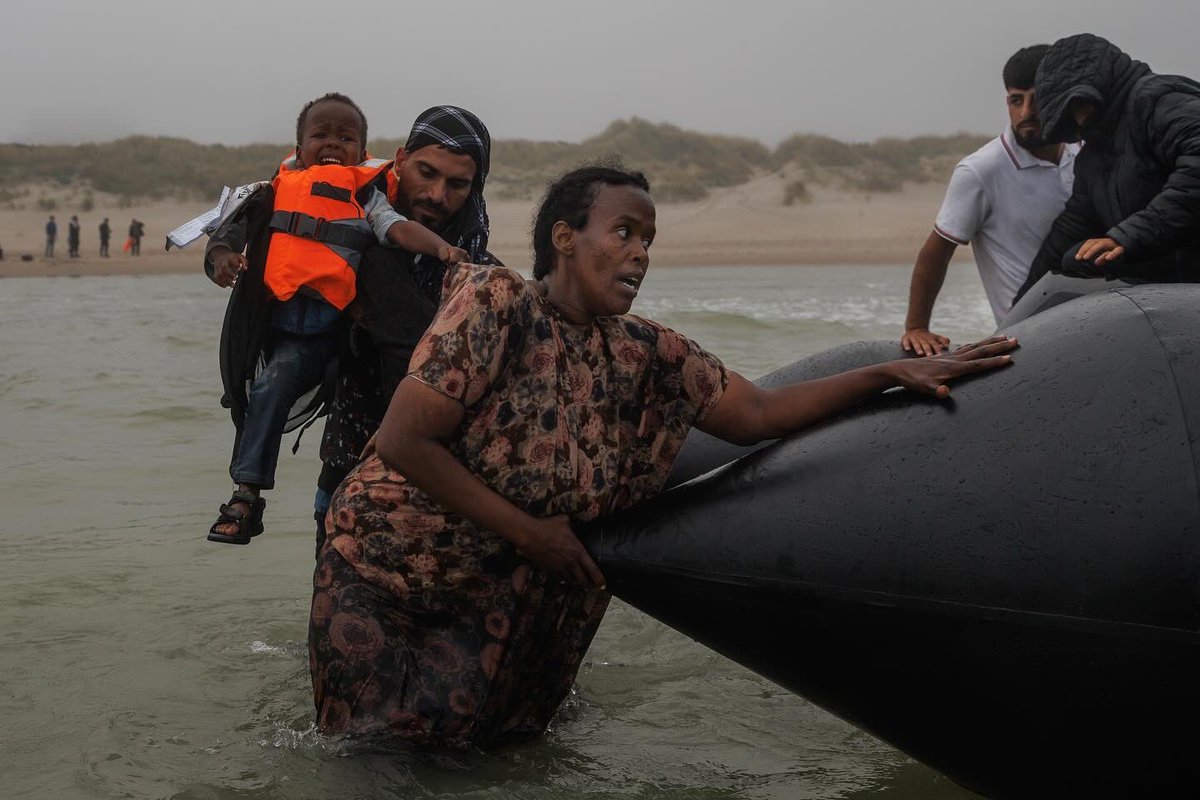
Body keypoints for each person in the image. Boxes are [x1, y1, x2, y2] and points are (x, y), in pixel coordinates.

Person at [308, 164, 1019, 747]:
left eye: (649, 239)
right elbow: (403, 440)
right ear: (564, 237)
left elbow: (760, 414)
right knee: (372, 757)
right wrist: (529, 532)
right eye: (623, 232)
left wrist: (889, 374)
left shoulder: (646, 351)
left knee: (487, 755)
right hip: (386, 573)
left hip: (498, 591)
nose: (641, 253)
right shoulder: (496, 303)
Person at [205, 93, 468, 545]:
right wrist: (223, 260)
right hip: (286, 333)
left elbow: (396, 229)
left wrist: (441, 248)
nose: (332, 143)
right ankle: (246, 493)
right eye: (320, 135)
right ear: (299, 145)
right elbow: (228, 234)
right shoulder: (272, 192)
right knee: (268, 388)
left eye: (345, 137)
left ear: (364, 152)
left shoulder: (364, 194)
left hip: (332, 333)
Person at [313, 105, 498, 554]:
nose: (437, 195)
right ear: (399, 161)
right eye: (426, 173)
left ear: (474, 190)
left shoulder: (482, 281)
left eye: (457, 184)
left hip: (445, 490)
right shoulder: (340, 243)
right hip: (345, 473)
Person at [902, 45, 1079, 355]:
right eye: (1016, 100)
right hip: (1031, 333)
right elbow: (936, 252)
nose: (1026, 113)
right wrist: (916, 327)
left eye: (1036, 99)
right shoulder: (982, 170)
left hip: (1096, 321)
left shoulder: (1084, 153)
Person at [1014, 33, 1200, 300]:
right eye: (1069, 112)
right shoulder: (1094, 156)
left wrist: (1127, 236)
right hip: (1172, 299)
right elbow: (1070, 230)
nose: (1078, 117)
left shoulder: (1157, 101)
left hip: (1189, 289)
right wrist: (1015, 318)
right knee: (1074, 260)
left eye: (1077, 103)